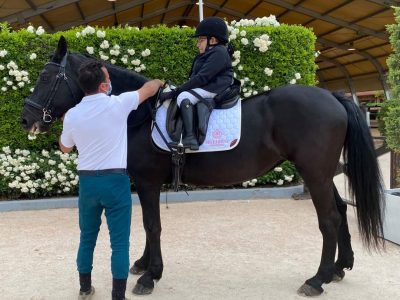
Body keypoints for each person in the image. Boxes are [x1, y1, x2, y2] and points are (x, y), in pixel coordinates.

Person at [59, 60, 163, 300]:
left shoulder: (73, 115)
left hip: (88, 184)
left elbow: (65, 148)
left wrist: (66, 124)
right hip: (115, 182)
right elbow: (149, 88)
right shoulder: (119, 103)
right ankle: (118, 295)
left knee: (86, 238)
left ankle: (85, 289)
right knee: (119, 243)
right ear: (105, 85)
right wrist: (159, 81)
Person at [160, 16, 234, 150]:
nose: (197, 44)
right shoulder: (210, 52)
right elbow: (195, 78)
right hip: (208, 86)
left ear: (213, 40)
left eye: (201, 40)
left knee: (184, 97)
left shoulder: (219, 52)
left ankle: (190, 138)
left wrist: (176, 92)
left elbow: (202, 78)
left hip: (215, 88)